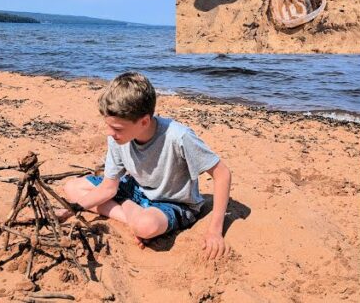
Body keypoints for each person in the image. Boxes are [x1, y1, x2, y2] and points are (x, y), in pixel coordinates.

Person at [55, 72, 232, 260]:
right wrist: (71, 210)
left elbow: (222, 174)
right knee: (72, 188)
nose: (109, 133)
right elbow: (108, 187)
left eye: (117, 128)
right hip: (136, 190)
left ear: (144, 121)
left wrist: (215, 231)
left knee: (146, 226)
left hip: (172, 203)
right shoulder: (117, 138)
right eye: (108, 126)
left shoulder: (178, 137)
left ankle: (127, 207)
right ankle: (131, 215)